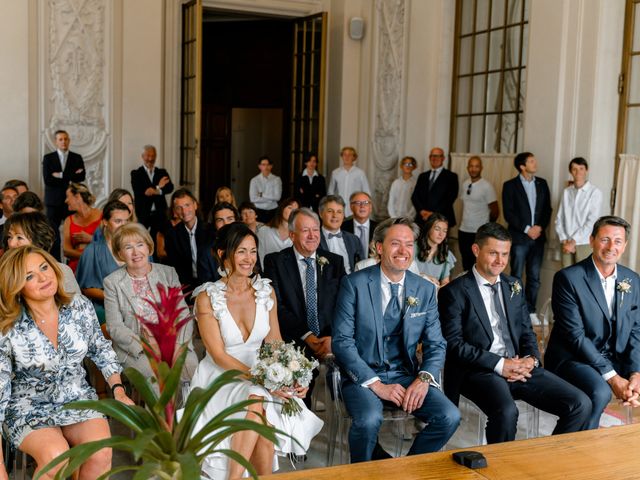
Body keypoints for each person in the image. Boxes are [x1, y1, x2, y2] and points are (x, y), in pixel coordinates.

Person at [189, 223, 323, 478]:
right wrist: (265, 380)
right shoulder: (207, 298)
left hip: (261, 374)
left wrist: (293, 378)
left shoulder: (265, 291)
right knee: (257, 399)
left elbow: (274, 344)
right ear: (222, 253)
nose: (249, 259)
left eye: (252, 251)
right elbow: (218, 354)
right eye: (241, 251)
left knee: (259, 405)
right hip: (220, 376)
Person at [438, 222, 590, 444]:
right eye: (493, 253)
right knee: (507, 412)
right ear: (476, 250)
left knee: (580, 403)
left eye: (505, 254)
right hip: (479, 371)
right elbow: (454, 344)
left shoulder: (514, 285)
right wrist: (501, 365)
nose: (500, 261)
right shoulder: (454, 291)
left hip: (520, 366)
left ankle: (551, 462)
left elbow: (526, 331)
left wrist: (530, 360)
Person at [332, 217, 460, 463]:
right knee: (369, 420)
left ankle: (405, 471)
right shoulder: (354, 284)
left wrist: (423, 379)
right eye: (395, 244)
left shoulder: (424, 289)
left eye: (409, 244)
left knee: (449, 416)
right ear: (379, 248)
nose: (403, 251)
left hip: (406, 374)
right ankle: (363, 473)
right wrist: (377, 384)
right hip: (362, 376)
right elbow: (342, 341)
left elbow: (436, 343)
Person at [0, 246, 133, 479]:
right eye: (29, 276)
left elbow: (100, 349)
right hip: (28, 406)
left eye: (44, 267)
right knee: (56, 458)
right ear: (16, 286)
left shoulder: (79, 306)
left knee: (100, 452)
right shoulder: (7, 327)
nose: (43, 277)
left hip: (76, 396)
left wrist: (118, 390)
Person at [545, 216, 640, 429]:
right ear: (591, 240)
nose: (611, 247)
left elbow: (636, 330)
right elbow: (574, 336)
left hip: (613, 357)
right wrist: (614, 378)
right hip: (573, 358)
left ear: (624, 246)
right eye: (605, 239)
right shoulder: (568, 278)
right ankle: (572, 451)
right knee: (600, 392)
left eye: (617, 241)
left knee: (625, 386)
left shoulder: (632, 280)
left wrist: (635, 374)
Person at [263, 208, 345, 403]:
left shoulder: (335, 262)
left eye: (315, 230)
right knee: (297, 394)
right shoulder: (275, 261)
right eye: (305, 230)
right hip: (294, 340)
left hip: (330, 338)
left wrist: (331, 337)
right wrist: (308, 336)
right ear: (292, 235)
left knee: (352, 378)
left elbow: (344, 304)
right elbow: (277, 307)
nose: (312, 236)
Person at [104, 223, 198, 387]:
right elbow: (114, 326)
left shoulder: (168, 273)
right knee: (154, 376)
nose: (136, 252)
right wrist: (146, 346)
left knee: (190, 366)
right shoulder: (112, 282)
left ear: (148, 247)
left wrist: (177, 345)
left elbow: (182, 313)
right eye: (128, 247)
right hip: (136, 349)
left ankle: (186, 413)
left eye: (140, 245)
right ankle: (159, 414)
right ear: (120, 254)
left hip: (173, 341)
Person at [502, 152, 552, 316]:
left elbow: (547, 210)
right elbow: (508, 213)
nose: (535, 163)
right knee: (516, 275)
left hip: (538, 238)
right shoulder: (509, 185)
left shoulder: (542, 184)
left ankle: (531, 312)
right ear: (522, 166)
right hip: (519, 237)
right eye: (531, 161)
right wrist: (526, 229)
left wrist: (539, 227)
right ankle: (514, 310)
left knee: (534, 278)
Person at [76, 200, 131, 323]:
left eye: (126, 221)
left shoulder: (137, 248)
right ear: (105, 222)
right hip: (103, 312)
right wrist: (119, 299)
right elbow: (86, 288)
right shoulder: (92, 251)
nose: (124, 226)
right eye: (118, 221)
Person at [3, 211, 79, 295]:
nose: (11, 243)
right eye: (10, 237)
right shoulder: (5, 273)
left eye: (19, 238)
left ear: (38, 242)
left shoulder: (61, 271)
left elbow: (77, 305)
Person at [42, 130, 86, 261]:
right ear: (55, 141)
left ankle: (71, 264)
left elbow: (81, 177)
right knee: (52, 234)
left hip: (71, 202)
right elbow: (47, 180)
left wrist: (59, 175)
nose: (63, 141)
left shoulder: (77, 157)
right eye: (60, 139)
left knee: (72, 234)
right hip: (53, 202)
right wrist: (71, 175)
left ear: (69, 140)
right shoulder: (48, 158)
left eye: (66, 139)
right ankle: (53, 262)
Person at [555, 157, 603, 267]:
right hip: (565, 242)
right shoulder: (566, 192)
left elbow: (592, 221)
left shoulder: (595, 192)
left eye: (581, 168)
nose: (578, 172)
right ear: (570, 171)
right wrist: (564, 239)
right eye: (574, 169)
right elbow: (559, 219)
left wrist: (574, 241)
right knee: (566, 277)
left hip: (584, 242)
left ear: (586, 170)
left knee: (583, 276)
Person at [164, 188, 212, 294]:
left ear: (195, 205)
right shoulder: (172, 235)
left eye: (187, 205)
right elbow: (174, 267)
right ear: (174, 211)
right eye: (179, 208)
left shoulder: (211, 231)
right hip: (186, 288)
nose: (184, 211)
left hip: (211, 285)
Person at [458, 156, 499, 271]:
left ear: (481, 168)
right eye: (471, 166)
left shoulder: (487, 186)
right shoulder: (465, 184)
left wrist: (486, 228)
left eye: (476, 166)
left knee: (477, 264)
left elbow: (495, 211)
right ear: (467, 168)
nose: (473, 169)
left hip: (478, 232)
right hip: (464, 230)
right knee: (465, 264)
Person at [130, 144, 174, 239]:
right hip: (143, 213)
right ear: (142, 156)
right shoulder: (136, 174)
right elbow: (142, 192)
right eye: (148, 156)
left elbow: (170, 187)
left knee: (160, 239)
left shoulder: (162, 172)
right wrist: (159, 186)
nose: (150, 159)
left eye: (153, 156)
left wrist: (156, 191)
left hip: (160, 213)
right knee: (141, 239)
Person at [411, 147, 459, 227]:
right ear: (429, 158)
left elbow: (450, 199)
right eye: (432, 156)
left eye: (437, 156)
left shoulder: (451, 176)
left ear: (443, 158)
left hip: (441, 219)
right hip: (422, 219)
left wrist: (432, 213)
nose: (434, 158)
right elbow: (415, 196)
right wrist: (421, 211)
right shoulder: (422, 176)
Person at [62, 182, 102, 272]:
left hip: (98, 264)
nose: (66, 200)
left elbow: (110, 244)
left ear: (78, 197)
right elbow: (66, 250)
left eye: (68, 197)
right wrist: (89, 256)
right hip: (76, 266)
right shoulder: (68, 220)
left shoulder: (101, 216)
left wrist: (91, 239)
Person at [318, 195, 363, 274]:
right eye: (330, 211)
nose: (335, 215)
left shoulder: (353, 239)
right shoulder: (314, 238)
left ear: (343, 215)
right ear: (321, 213)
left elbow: (362, 267)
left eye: (339, 212)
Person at [198, 202, 241, 285]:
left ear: (236, 221)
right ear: (214, 224)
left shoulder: (249, 246)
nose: (226, 224)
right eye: (220, 220)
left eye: (230, 219)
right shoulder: (205, 252)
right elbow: (205, 286)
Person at [414, 213, 457, 287]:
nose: (441, 234)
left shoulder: (446, 254)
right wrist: (424, 277)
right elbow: (402, 273)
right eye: (437, 229)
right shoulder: (412, 247)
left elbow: (445, 281)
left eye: (445, 231)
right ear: (428, 228)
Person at [256, 197, 298, 266]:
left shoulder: (298, 234)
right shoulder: (263, 231)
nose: (293, 211)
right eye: (290, 207)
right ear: (282, 208)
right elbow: (260, 256)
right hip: (268, 273)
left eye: (296, 210)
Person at [343, 191, 378, 260]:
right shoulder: (342, 228)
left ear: (370, 207)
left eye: (366, 203)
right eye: (358, 203)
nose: (362, 206)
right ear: (351, 207)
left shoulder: (379, 228)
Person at [249, 156, 282, 223]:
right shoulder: (254, 180)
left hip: (273, 211)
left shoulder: (276, 179)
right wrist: (270, 200)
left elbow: (277, 197)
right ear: (259, 166)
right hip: (258, 211)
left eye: (268, 165)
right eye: (263, 165)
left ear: (271, 166)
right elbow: (253, 199)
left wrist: (261, 194)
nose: (266, 167)